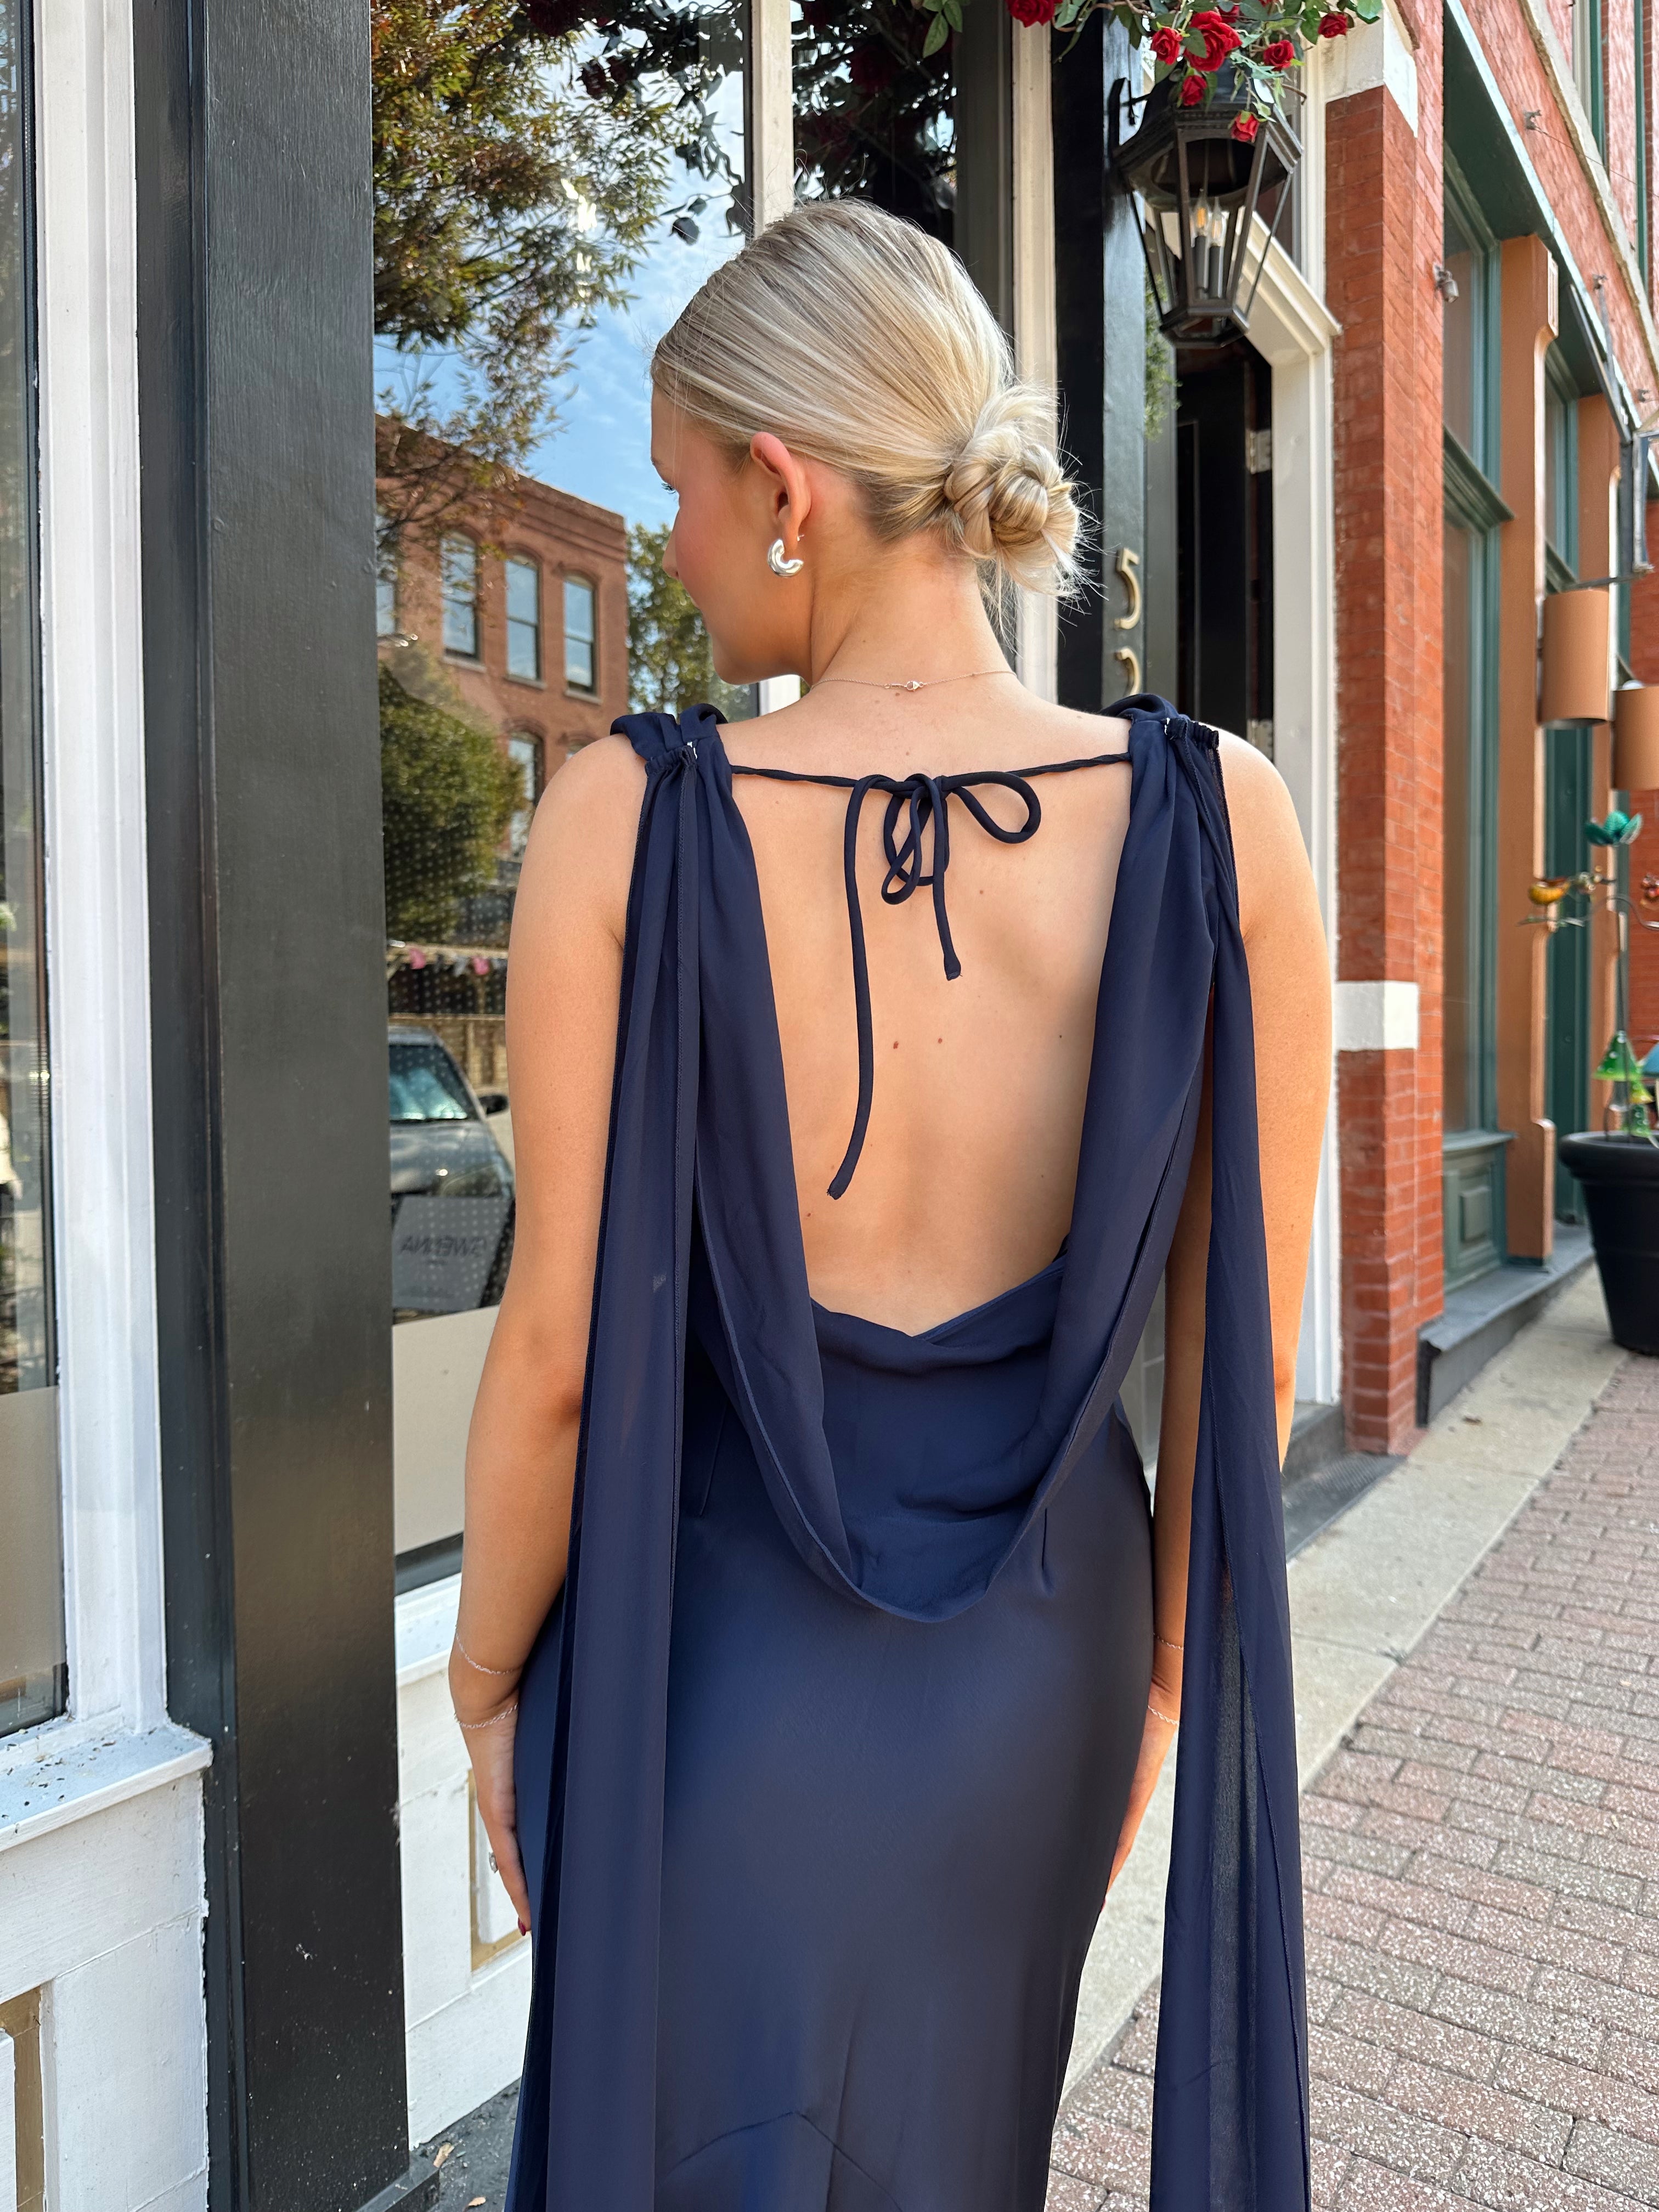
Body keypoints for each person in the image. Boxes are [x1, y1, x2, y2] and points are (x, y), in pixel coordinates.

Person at [449, 199, 1331, 2212]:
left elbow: (568, 1354)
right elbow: (1236, 1354)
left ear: (786, 488)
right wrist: (1162, 1684)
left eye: (673, 489)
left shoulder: (628, 814)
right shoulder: (1223, 821)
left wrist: (485, 1674)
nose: (664, 547)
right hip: (1047, 1659)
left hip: (714, 1655)